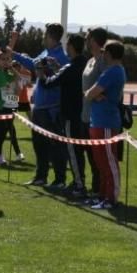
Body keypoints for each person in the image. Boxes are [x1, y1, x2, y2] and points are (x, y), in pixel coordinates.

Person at [9, 24, 69, 187]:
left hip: (52, 108)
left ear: (50, 36)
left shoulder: (61, 57)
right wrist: (14, 54)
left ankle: (59, 179)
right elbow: (32, 63)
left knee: (55, 145)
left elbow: (59, 80)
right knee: (39, 143)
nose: (43, 38)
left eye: (45, 35)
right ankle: (41, 176)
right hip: (39, 107)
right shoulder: (45, 53)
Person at [84, 40, 127, 209]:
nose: (102, 55)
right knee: (101, 162)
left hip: (107, 122)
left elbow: (89, 93)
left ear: (108, 54)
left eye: (104, 52)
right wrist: (93, 94)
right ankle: (102, 195)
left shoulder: (113, 72)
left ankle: (111, 197)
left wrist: (92, 94)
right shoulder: (112, 71)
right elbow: (91, 94)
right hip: (98, 121)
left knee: (109, 161)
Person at [44, 33, 88, 196]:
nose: (66, 47)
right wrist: (58, 68)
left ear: (72, 46)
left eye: (68, 44)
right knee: (80, 150)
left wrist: (41, 73)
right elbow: (66, 78)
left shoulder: (71, 66)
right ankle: (81, 181)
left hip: (71, 114)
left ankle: (79, 184)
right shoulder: (85, 64)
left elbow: (50, 83)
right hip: (83, 113)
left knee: (73, 150)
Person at [80, 27, 108, 198]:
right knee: (90, 156)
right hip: (85, 114)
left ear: (94, 40)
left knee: (98, 158)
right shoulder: (90, 60)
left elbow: (106, 84)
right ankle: (94, 189)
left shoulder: (103, 60)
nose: (86, 41)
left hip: (97, 116)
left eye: (88, 38)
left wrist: (96, 96)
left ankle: (100, 191)